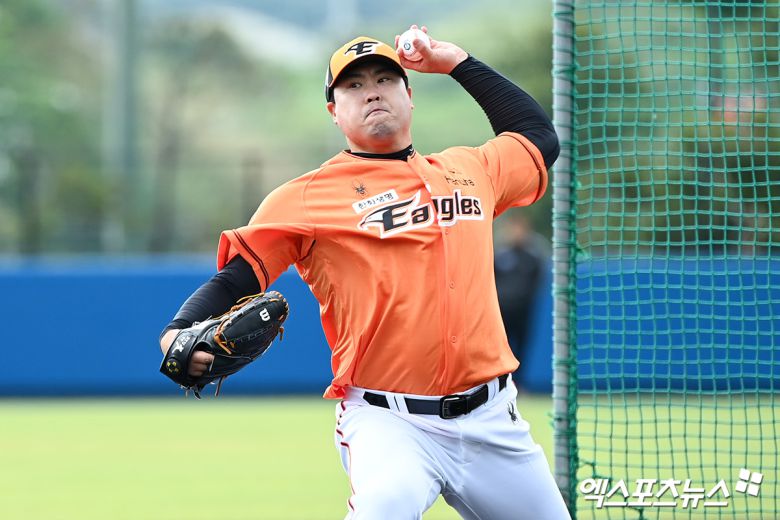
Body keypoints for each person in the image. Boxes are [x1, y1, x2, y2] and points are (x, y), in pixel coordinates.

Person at [159, 25, 571, 519]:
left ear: (409, 95)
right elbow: (236, 278)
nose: (372, 91)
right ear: (334, 112)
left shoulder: (470, 170)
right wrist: (177, 331)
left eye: (384, 79)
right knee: (384, 507)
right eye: (353, 85)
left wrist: (456, 62)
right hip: (389, 422)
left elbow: (538, 138)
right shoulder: (306, 197)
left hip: (492, 419)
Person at [494, 211, 550, 388]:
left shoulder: (533, 255)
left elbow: (538, 279)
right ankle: (501, 383)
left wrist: (527, 298)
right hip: (502, 308)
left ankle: (520, 383)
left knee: (522, 346)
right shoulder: (500, 253)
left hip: (523, 309)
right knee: (501, 346)